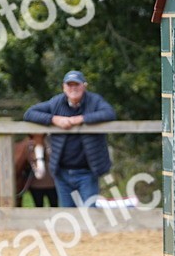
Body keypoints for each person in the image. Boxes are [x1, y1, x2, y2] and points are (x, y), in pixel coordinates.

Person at [23, 70, 117, 207]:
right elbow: (29, 113)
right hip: (62, 172)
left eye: (77, 85)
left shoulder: (94, 101)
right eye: (69, 85)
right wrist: (54, 119)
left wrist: (80, 119)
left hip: (88, 172)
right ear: (64, 87)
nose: (73, 88)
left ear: (84, 86)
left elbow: (109, 113)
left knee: (90, 212)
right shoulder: (56, 102)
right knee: (67, 213)